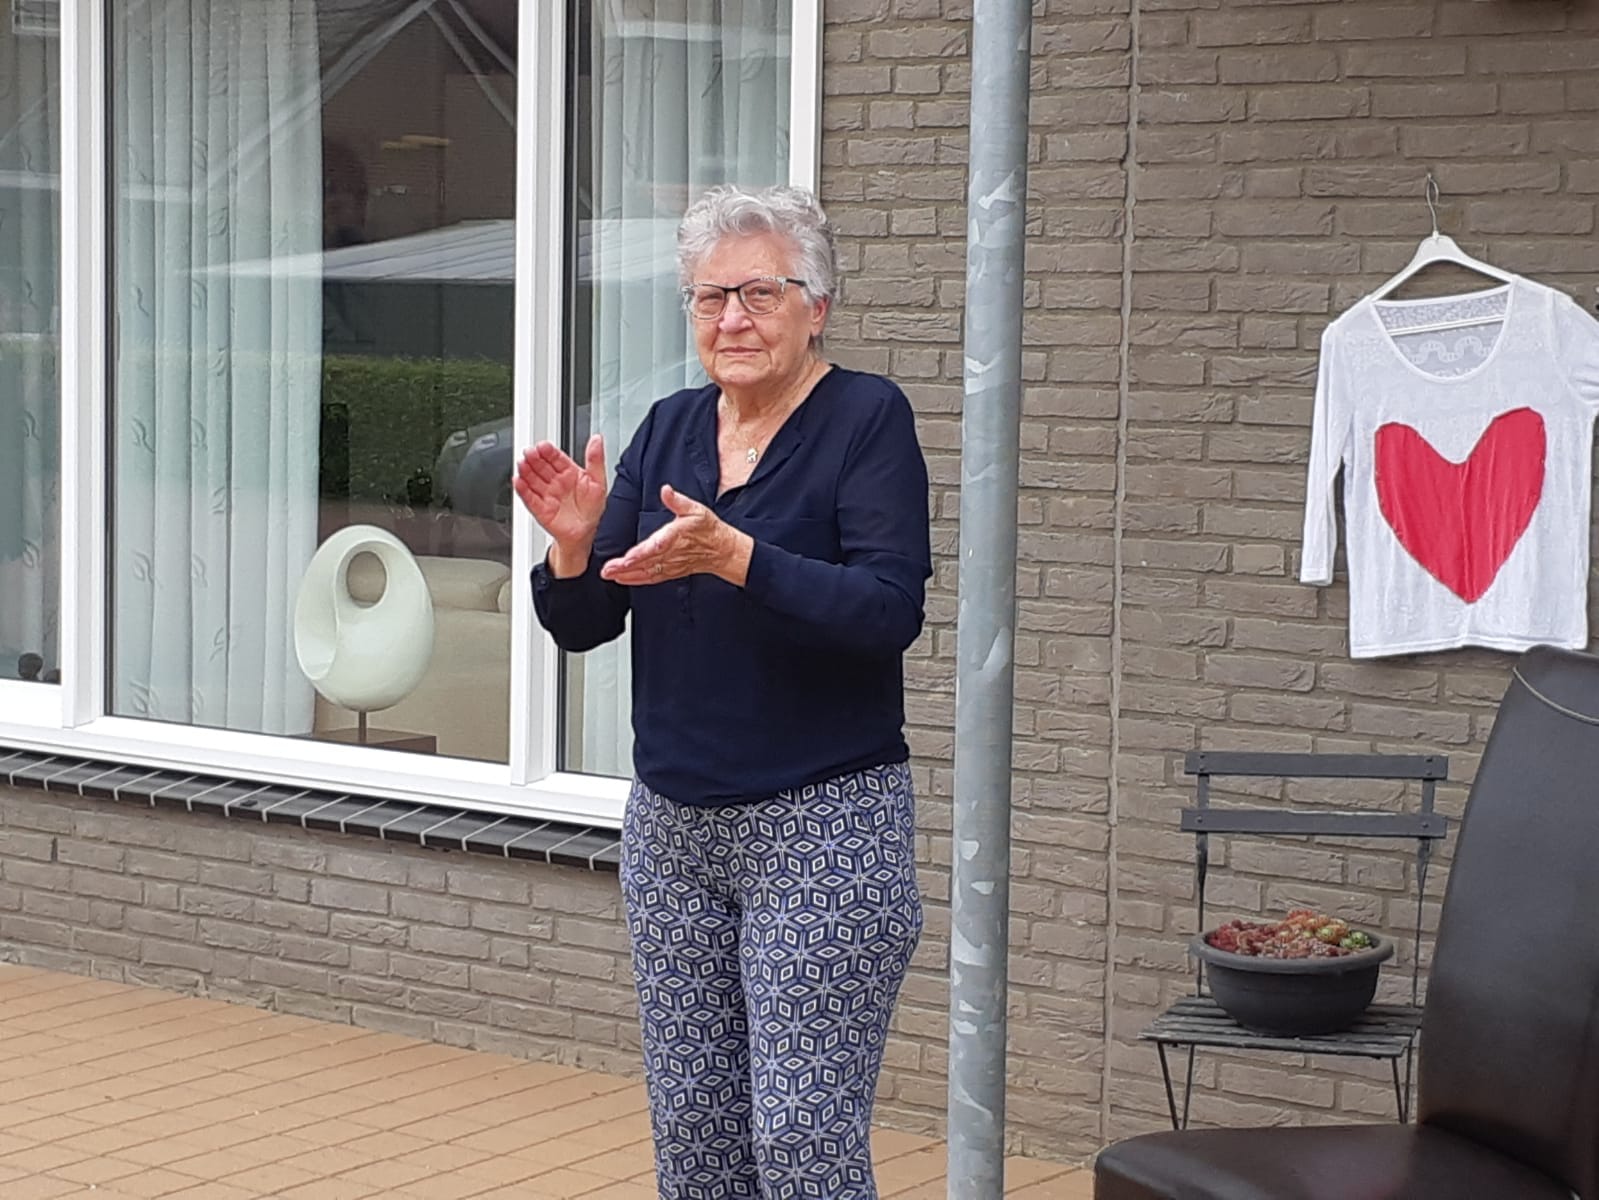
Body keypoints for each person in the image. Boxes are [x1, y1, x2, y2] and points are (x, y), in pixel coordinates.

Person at [514, 184, 932, 1199]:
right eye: (710, 298)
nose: (732, 319)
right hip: (673, 830)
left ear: (815, 306)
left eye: (758, 293)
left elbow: (888, 610)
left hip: (824, 822)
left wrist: (737, 556)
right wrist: (572, 546)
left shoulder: (865, 418)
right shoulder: (668, 428)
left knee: (799, 1137)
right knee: (696, 1135)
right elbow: (586, 622)